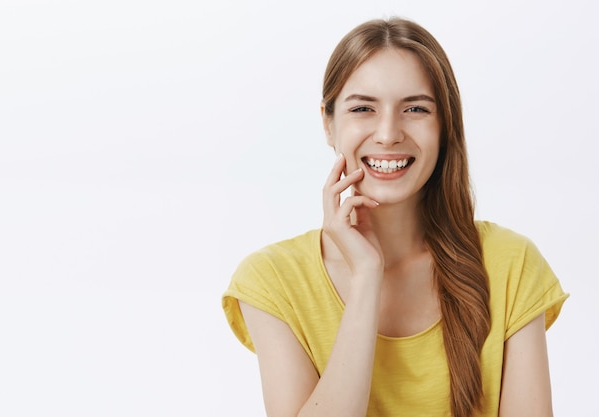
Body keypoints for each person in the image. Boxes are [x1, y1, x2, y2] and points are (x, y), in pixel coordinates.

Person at [222, 17, 568, 417]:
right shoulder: (272, 281)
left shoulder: (512, 264)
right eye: (363, 108)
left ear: (444, 125)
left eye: (416, 108)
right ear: (328, 123)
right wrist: (367, 277)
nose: (388, 134)